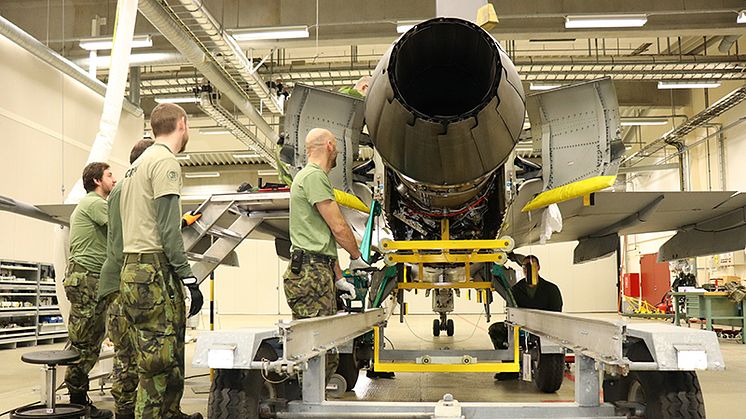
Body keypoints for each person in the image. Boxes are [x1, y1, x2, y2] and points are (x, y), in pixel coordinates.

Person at [119, 103, 203, 419]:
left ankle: (170, 412)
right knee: (157, 359)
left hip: (133, 268)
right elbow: (168, 231)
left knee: (164, 350)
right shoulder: (165, 162)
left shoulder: (136, 165)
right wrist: (188, 277)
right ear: (182, 124)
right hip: (153, 270)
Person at [283, 128, 369, 384]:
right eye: (338, 147)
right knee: (316, 352)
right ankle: (306, 402)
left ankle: (310, 397)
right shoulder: (313, 177)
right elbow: (338, 227)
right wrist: (357, 256)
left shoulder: (308, 177)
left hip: (317, 271)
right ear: (330, 146)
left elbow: (321, 238)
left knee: (322, 351)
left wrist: (339, 276)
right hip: (311, 275)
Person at [98, 139, 154, 419]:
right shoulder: (135, 187)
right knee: (138, 352)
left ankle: (124, 410)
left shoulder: (119, 188)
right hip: (127, 277)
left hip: (114, 278)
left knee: (124, 351)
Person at [64, 162, 116, 418]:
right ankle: (76, 406)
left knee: (89, 340)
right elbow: (121, 226)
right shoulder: (95, 203)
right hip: (87, 278)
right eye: (109, 175)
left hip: (87, 277)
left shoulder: (90, 204)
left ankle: (78, 402)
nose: (113, 180)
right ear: (97, 181)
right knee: (85, 343)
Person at [488, 255, 563, 379]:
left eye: (531, 266)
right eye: (525, 267)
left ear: (538, 267)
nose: (527, 269)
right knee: (495, 330)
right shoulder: (516, 290)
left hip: (544, 328)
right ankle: (510, 368)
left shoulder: (551, 289)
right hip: (522, 327)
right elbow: (511, 312)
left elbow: (556, 313)